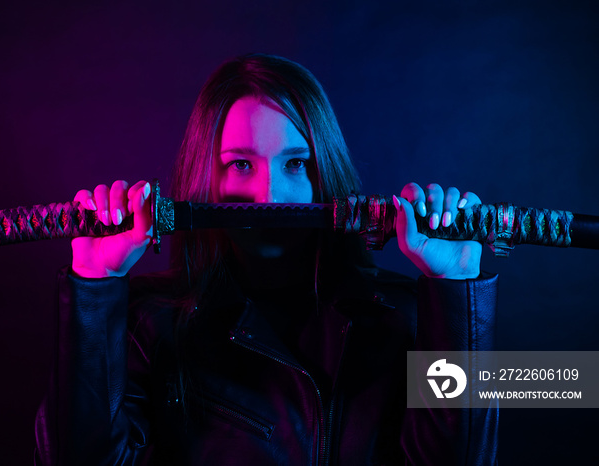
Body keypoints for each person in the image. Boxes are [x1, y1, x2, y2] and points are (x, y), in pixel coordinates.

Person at [35, 53, 498, 465]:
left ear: (325, 175)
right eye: (240, 164)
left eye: (295, 164)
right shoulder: (145, 323)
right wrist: (95, 286)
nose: (270, 194)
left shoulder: (413, 315)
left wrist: (456, 291)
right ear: (206, 179)